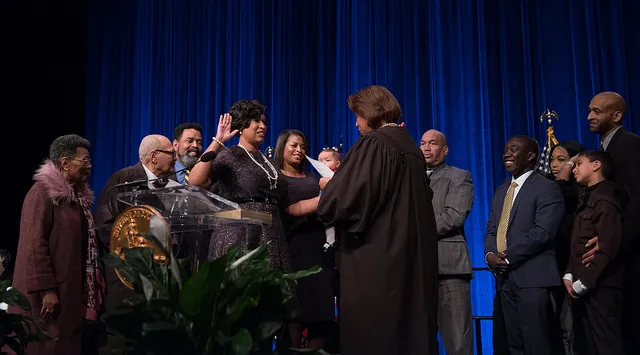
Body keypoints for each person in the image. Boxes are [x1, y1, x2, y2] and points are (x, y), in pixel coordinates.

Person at [317, 85, 439, 355]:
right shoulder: (410, 148)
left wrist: (329, 187)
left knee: (377, 336)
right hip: (411, 260)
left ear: (371, 113)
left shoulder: (376, 143)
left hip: (378, 263)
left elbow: (344, 202)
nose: (357, 123)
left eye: (358, 115)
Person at [188, 100, 320, 271]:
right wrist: (218, 141)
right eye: (256, 121)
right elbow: (195, 181)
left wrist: (326, 197)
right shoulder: (228, 155)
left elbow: (291, 207)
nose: (262, 126)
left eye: (264, 121)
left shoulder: (271, 163)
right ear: (242, 126)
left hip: (271, 236)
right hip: (238, 236)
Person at [11, 134, 105, 355]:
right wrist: (48, 290)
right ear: (64, 162)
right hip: (45, 298)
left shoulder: (75, 198)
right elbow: (34, 245)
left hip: (67, 293)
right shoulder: (42, 194)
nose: (89, 166)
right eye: (85, 160)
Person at [94, 134, 177, 354]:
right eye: (171, 153)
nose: (176, 158)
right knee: (122, 342)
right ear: (154, 156)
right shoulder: (124, 180)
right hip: (127, 279)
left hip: (160, 279)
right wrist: (134, 258)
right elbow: (105, 226)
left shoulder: (172, 187)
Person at [484, 135, 564, 355]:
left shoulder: (547, 188)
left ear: (531, 156)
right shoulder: (502, 190)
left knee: (536, 342)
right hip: (504, 279)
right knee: (513, 344)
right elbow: (492, 228)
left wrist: (507, 257)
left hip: (533, 279)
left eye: (513, 150)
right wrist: (490, 254)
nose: (506, 154)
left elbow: (543, 233)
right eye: (505, 150)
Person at [587, 91, 640, 354]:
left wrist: (615, 244)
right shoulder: (601, 150)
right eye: (589, 110)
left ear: (616, 115)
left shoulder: (630, 145)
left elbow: (635, 202)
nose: (589, 116)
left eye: (597, 111)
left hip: (627, 255)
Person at [275, 129, 335, 350]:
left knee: (320, 312)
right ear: (282, 147)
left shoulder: (313, 178)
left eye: (302, 146)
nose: (299, 150)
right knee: (294, 311)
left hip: (318, 249)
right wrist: (325, 197)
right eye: (294, 146)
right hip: (292, 248)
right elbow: (290, 210)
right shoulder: (276, 178)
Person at [563, 150, 625, 355]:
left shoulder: (606, 197)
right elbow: (578, 240)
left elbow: (606, 247)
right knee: (586, 344)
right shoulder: (585, 196)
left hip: (601, 286)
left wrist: (585, 282)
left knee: (606, 343)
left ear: (596, 165)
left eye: (579, 163)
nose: (574, 169)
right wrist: (570, 273)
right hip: (581, 285)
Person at [420, 129, 474, 355]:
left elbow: (453, 216)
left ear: (445, 149)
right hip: (417, 270)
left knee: (457, 341)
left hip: (449, 268)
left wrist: (414, 231)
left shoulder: (459, 176)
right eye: (423, 143)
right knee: (419, 341)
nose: (426, 148)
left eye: (432, 144)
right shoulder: (410, 178)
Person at [548, 140, 584, 355]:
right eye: (552, 159)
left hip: (573, 269)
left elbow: (563, 192)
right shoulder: (548, 188)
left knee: (572, 328)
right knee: (557, 327)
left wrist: (568, 169)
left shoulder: (576, 191)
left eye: (561, 160)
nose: (554, 165)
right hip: (553, 267)